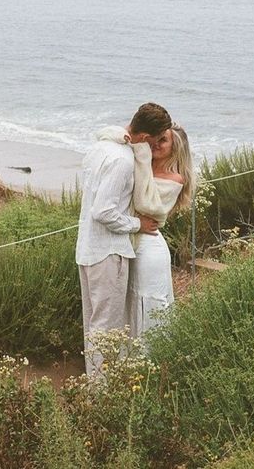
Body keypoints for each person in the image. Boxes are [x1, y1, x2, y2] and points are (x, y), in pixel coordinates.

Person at [75, 102, 172, 374]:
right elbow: (103, 211)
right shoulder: (123, 160)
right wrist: (137, 224)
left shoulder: (101, 147)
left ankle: (96, 386)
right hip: (109, 253)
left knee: (94, 324)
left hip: (88, 248)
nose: (153, 148)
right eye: (154, 142)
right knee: (107, 327)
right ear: (143, 138)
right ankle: (102, 393)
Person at [128, 123, 194, 337]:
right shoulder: (142, 165)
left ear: (175, 148)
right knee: (131, 303)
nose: (156, 143)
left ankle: (154, 361)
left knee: (150, 304)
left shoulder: (174, 180)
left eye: (163, 140)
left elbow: (143, 204)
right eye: (155, 137)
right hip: (132, 241)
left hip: (149, 249)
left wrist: (141, 154)